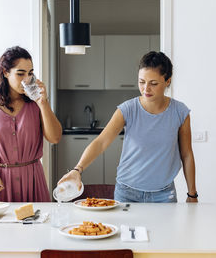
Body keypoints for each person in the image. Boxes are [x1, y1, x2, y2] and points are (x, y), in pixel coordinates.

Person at [58, 51, 198, 203]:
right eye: (142, 82)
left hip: (164, 194)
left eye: (153, 83)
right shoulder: (128, 109)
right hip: (128, 193)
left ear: (167, 81)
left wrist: (192, 194)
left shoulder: (180, 112)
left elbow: (187, 154)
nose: (146, 89)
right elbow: (101, 142)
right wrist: (77, 169)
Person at [0, 46, 62, 202]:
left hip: (33, 183)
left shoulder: (37, 105)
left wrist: (43, 103)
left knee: (37, 225)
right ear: (5, 72)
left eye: (30, 73)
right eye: (20, 74)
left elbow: (55, 138)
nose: (26, 79)